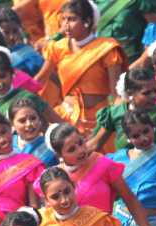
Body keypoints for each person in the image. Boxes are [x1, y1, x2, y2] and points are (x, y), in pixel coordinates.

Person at [35, 0, 126, 133]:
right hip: (65, 117)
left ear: (87, 21)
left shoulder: (107, 48)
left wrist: (110, 124)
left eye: (72, 19)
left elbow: (116, 95)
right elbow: (39, 80)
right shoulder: (57, 47)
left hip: (99, 119)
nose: (65, 25)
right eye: (63, 19)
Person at [90, 67, 156, 153]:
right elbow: (95, 145)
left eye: (155, 90)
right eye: (147, 93)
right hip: (127, 175)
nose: (154, 96)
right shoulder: (115, 114)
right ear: (130, 93)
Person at [0, 8, 45, 77]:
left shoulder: (29, 53)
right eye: (6, 32)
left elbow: (49, 74)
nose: (12, 37)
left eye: (15, 31)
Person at [9, 98, 59, 167]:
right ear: (12, 124)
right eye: (22, 121)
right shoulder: (8, 145)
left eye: (33, 118)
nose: (29, 124)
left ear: (39, 119)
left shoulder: (50, 145)